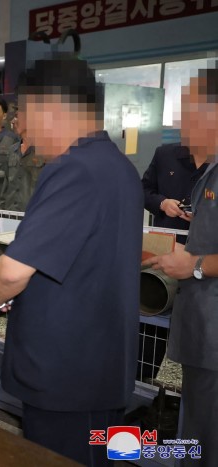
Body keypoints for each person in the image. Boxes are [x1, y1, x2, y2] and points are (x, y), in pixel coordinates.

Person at [0, 58, 143, 465]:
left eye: (27, 115)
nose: (25, 129)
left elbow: (14, 270)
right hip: (102, 368)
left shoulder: (73, 169)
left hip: (64, 376)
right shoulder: (121, 167)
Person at [143, 67, 218, 467]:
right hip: (201, 327)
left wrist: (195, 266)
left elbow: (201, 260)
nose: (180, 121)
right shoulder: (195, 165)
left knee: (206, 435)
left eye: (190, 110)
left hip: (213, 333)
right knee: (198, 426)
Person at [137, 86, 209, 383]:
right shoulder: (165, 155)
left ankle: (185, 397)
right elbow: (143, 190)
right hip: (162, 252)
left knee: (197, 334)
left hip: (202, 259)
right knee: (150, 322)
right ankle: (141, 384)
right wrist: (162, 203)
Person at [0, 105, 43, 212]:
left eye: (18, 117)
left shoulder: (45, 152)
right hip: (10, 213)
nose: (14, 121)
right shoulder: (13, 150)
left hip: (33, 214)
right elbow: (6, 185)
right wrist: (2, 210)